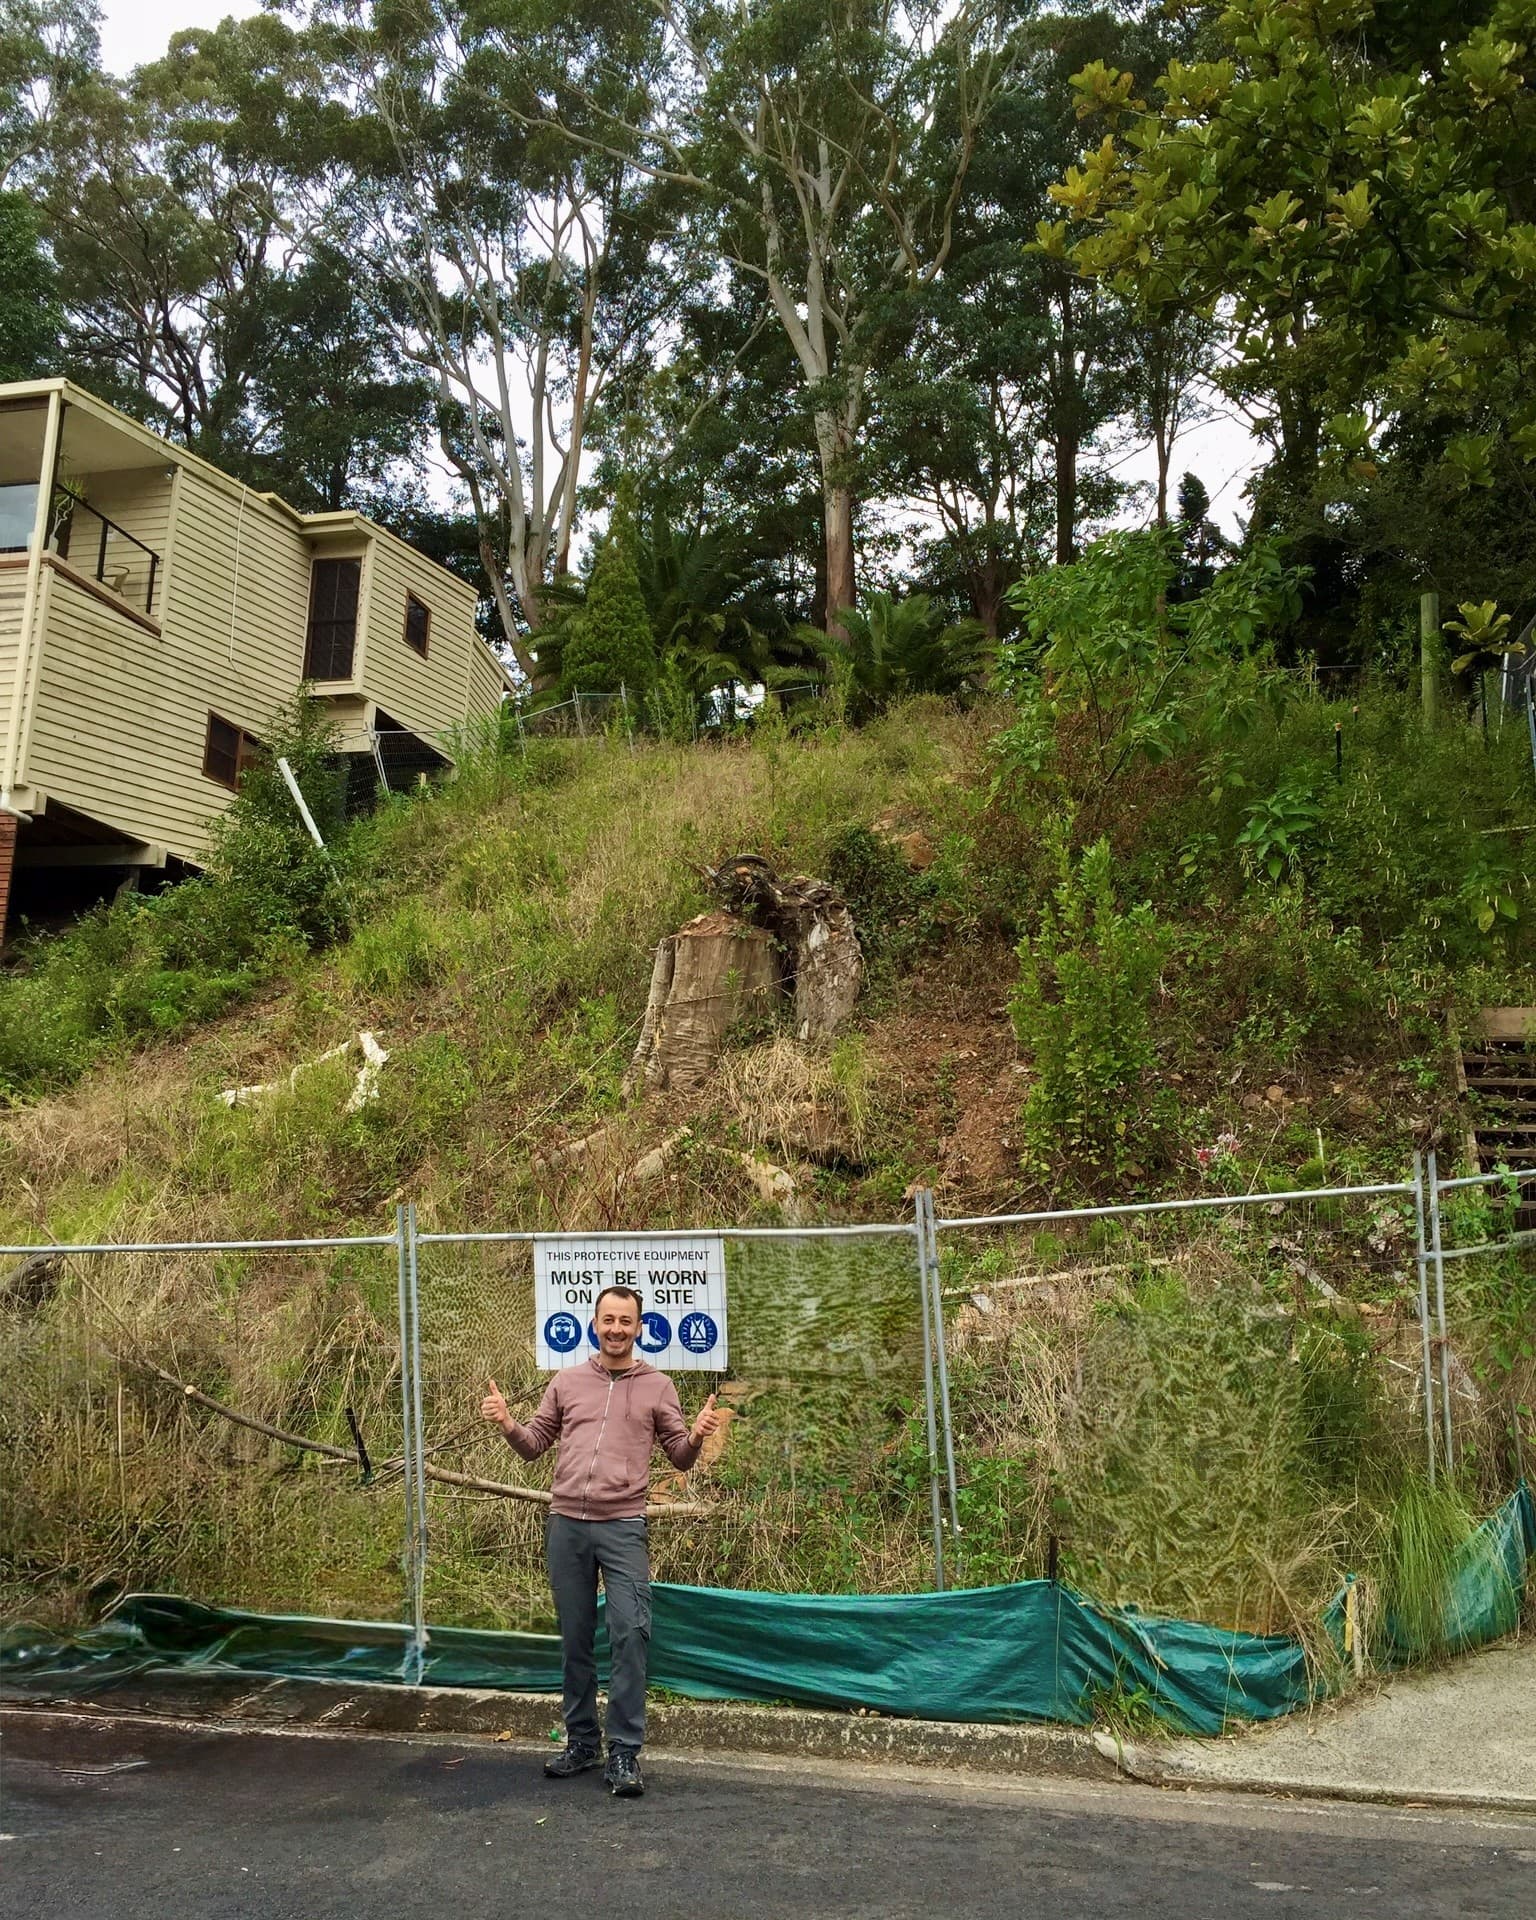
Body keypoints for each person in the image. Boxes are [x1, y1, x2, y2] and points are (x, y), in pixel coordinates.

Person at [480, 1284, 720, 1798]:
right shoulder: (567, 1382)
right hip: (566, 1524)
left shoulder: (658, 1386)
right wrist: (507, 1423)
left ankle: (624, 1752)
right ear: (594, 1325)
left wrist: (697, 1435)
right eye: (608, 1320)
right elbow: (533, 1445)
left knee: (630, 1632)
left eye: (625, 1321)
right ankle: (582, 1743)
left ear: (639, 1328)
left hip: (623, 1526)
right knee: (576, 1638)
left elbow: (679, 1456)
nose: (616, 1329)